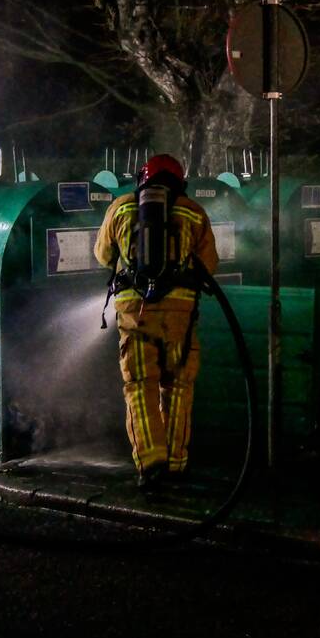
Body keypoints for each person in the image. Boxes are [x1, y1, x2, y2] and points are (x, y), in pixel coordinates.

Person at [94, 154, 218, 489]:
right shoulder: (193, 211)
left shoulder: (120, 207)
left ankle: (151, 465)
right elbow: (210, 264)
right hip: (180, 316)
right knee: (178, 386)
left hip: (136, 314)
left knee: (140, 385)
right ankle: (176, 464)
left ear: (141, 181)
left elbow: (102, 255)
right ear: (181, 182)